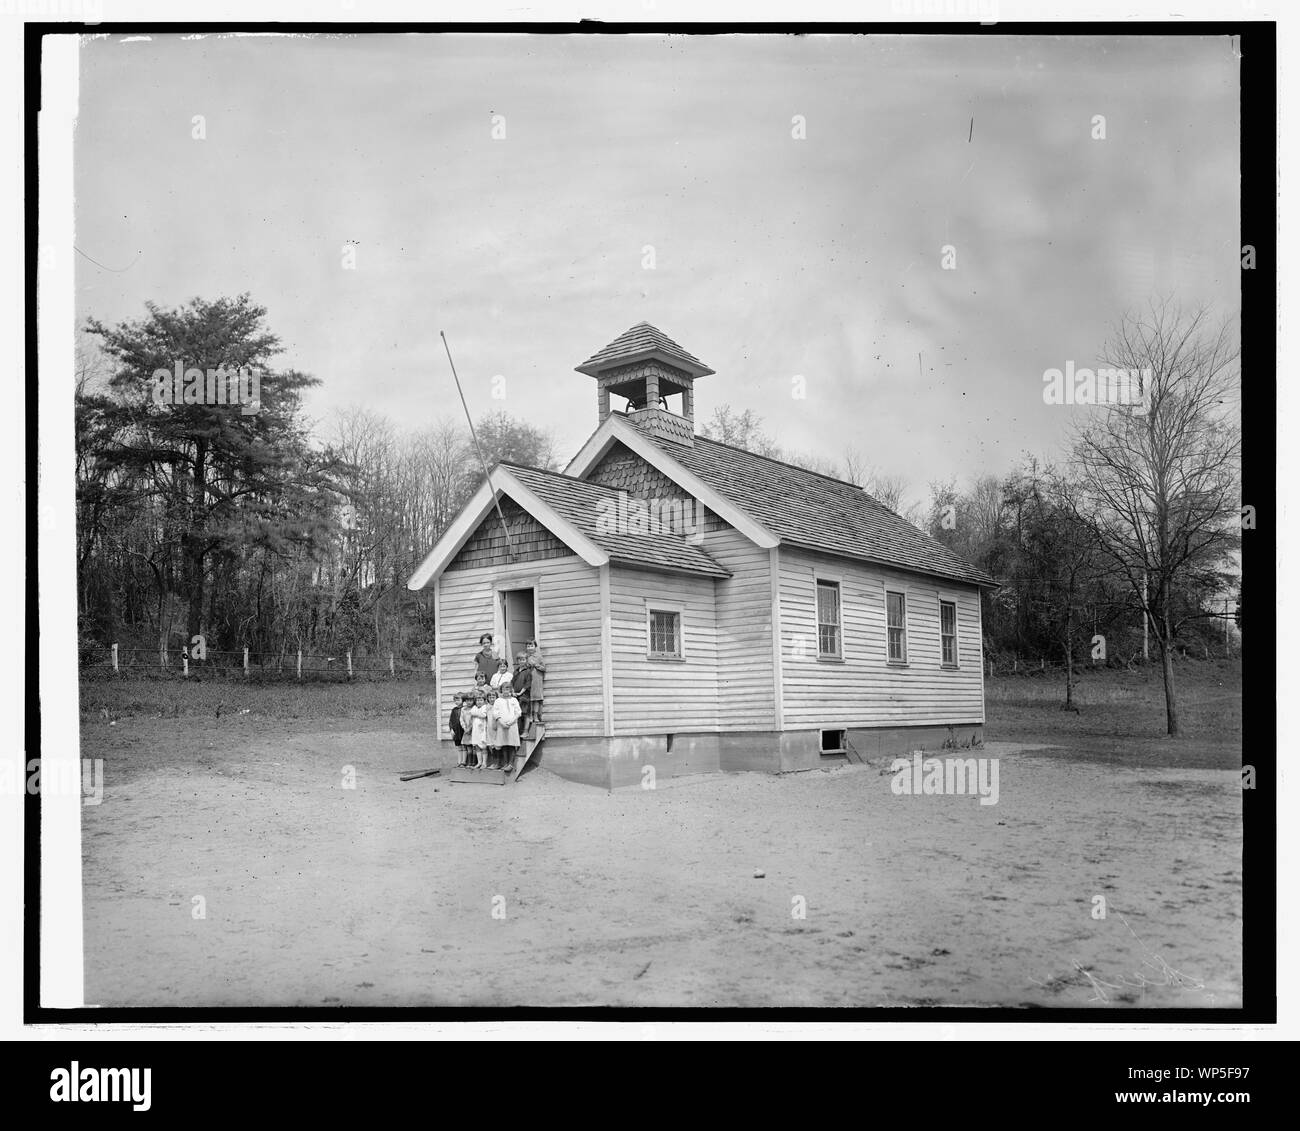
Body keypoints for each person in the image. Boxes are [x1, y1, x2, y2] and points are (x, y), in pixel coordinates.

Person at [492, 684, 522, 775]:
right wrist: (501, 722)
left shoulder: (514, 700)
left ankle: (511, 763)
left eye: (508, 689)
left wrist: (511, 721)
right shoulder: (498, 701)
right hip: (502, 725)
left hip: (512, 725)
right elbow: (495, 712)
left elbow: (518, 712)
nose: (506, 691)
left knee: (511, 744)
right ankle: (505, 763)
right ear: (501, 690)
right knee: (504, 744)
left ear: (511, 690)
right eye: (504, 689)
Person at [523, 639, 546, 732]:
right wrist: (527, 665)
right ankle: (530, 716)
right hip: (528, 679)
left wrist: (537, 665)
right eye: (528, 646)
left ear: (535, 646)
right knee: (530, 698)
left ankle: (536, 715)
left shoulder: (539, 657)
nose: (530, 648)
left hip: (537, 679)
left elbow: (544, 668)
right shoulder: (525, 656)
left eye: (531, 646)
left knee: (536, 699)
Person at [467, 689, 489, 770]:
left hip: (482, 730)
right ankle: (479, 762)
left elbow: (483, 715)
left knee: (483, 746)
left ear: (484, 700)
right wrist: (476, 714)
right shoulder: (474, 707)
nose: (479, 702)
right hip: (475, 730)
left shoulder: (484, 707)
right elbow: (471, 713)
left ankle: (484, 763)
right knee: (476, 746)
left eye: (481, 700)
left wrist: (476, 714)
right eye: (477, 700)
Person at [449, 692, 466, 768]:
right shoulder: (454, 710)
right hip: (456, 732)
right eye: (455, 700)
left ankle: (464, 761)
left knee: (464, 746)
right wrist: (451, 729)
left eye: (458, 700)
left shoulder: (465, 709)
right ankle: (459, 762)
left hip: (463, 731)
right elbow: (451, 721)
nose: (456, 702)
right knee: (459, 747)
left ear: (463, 700)